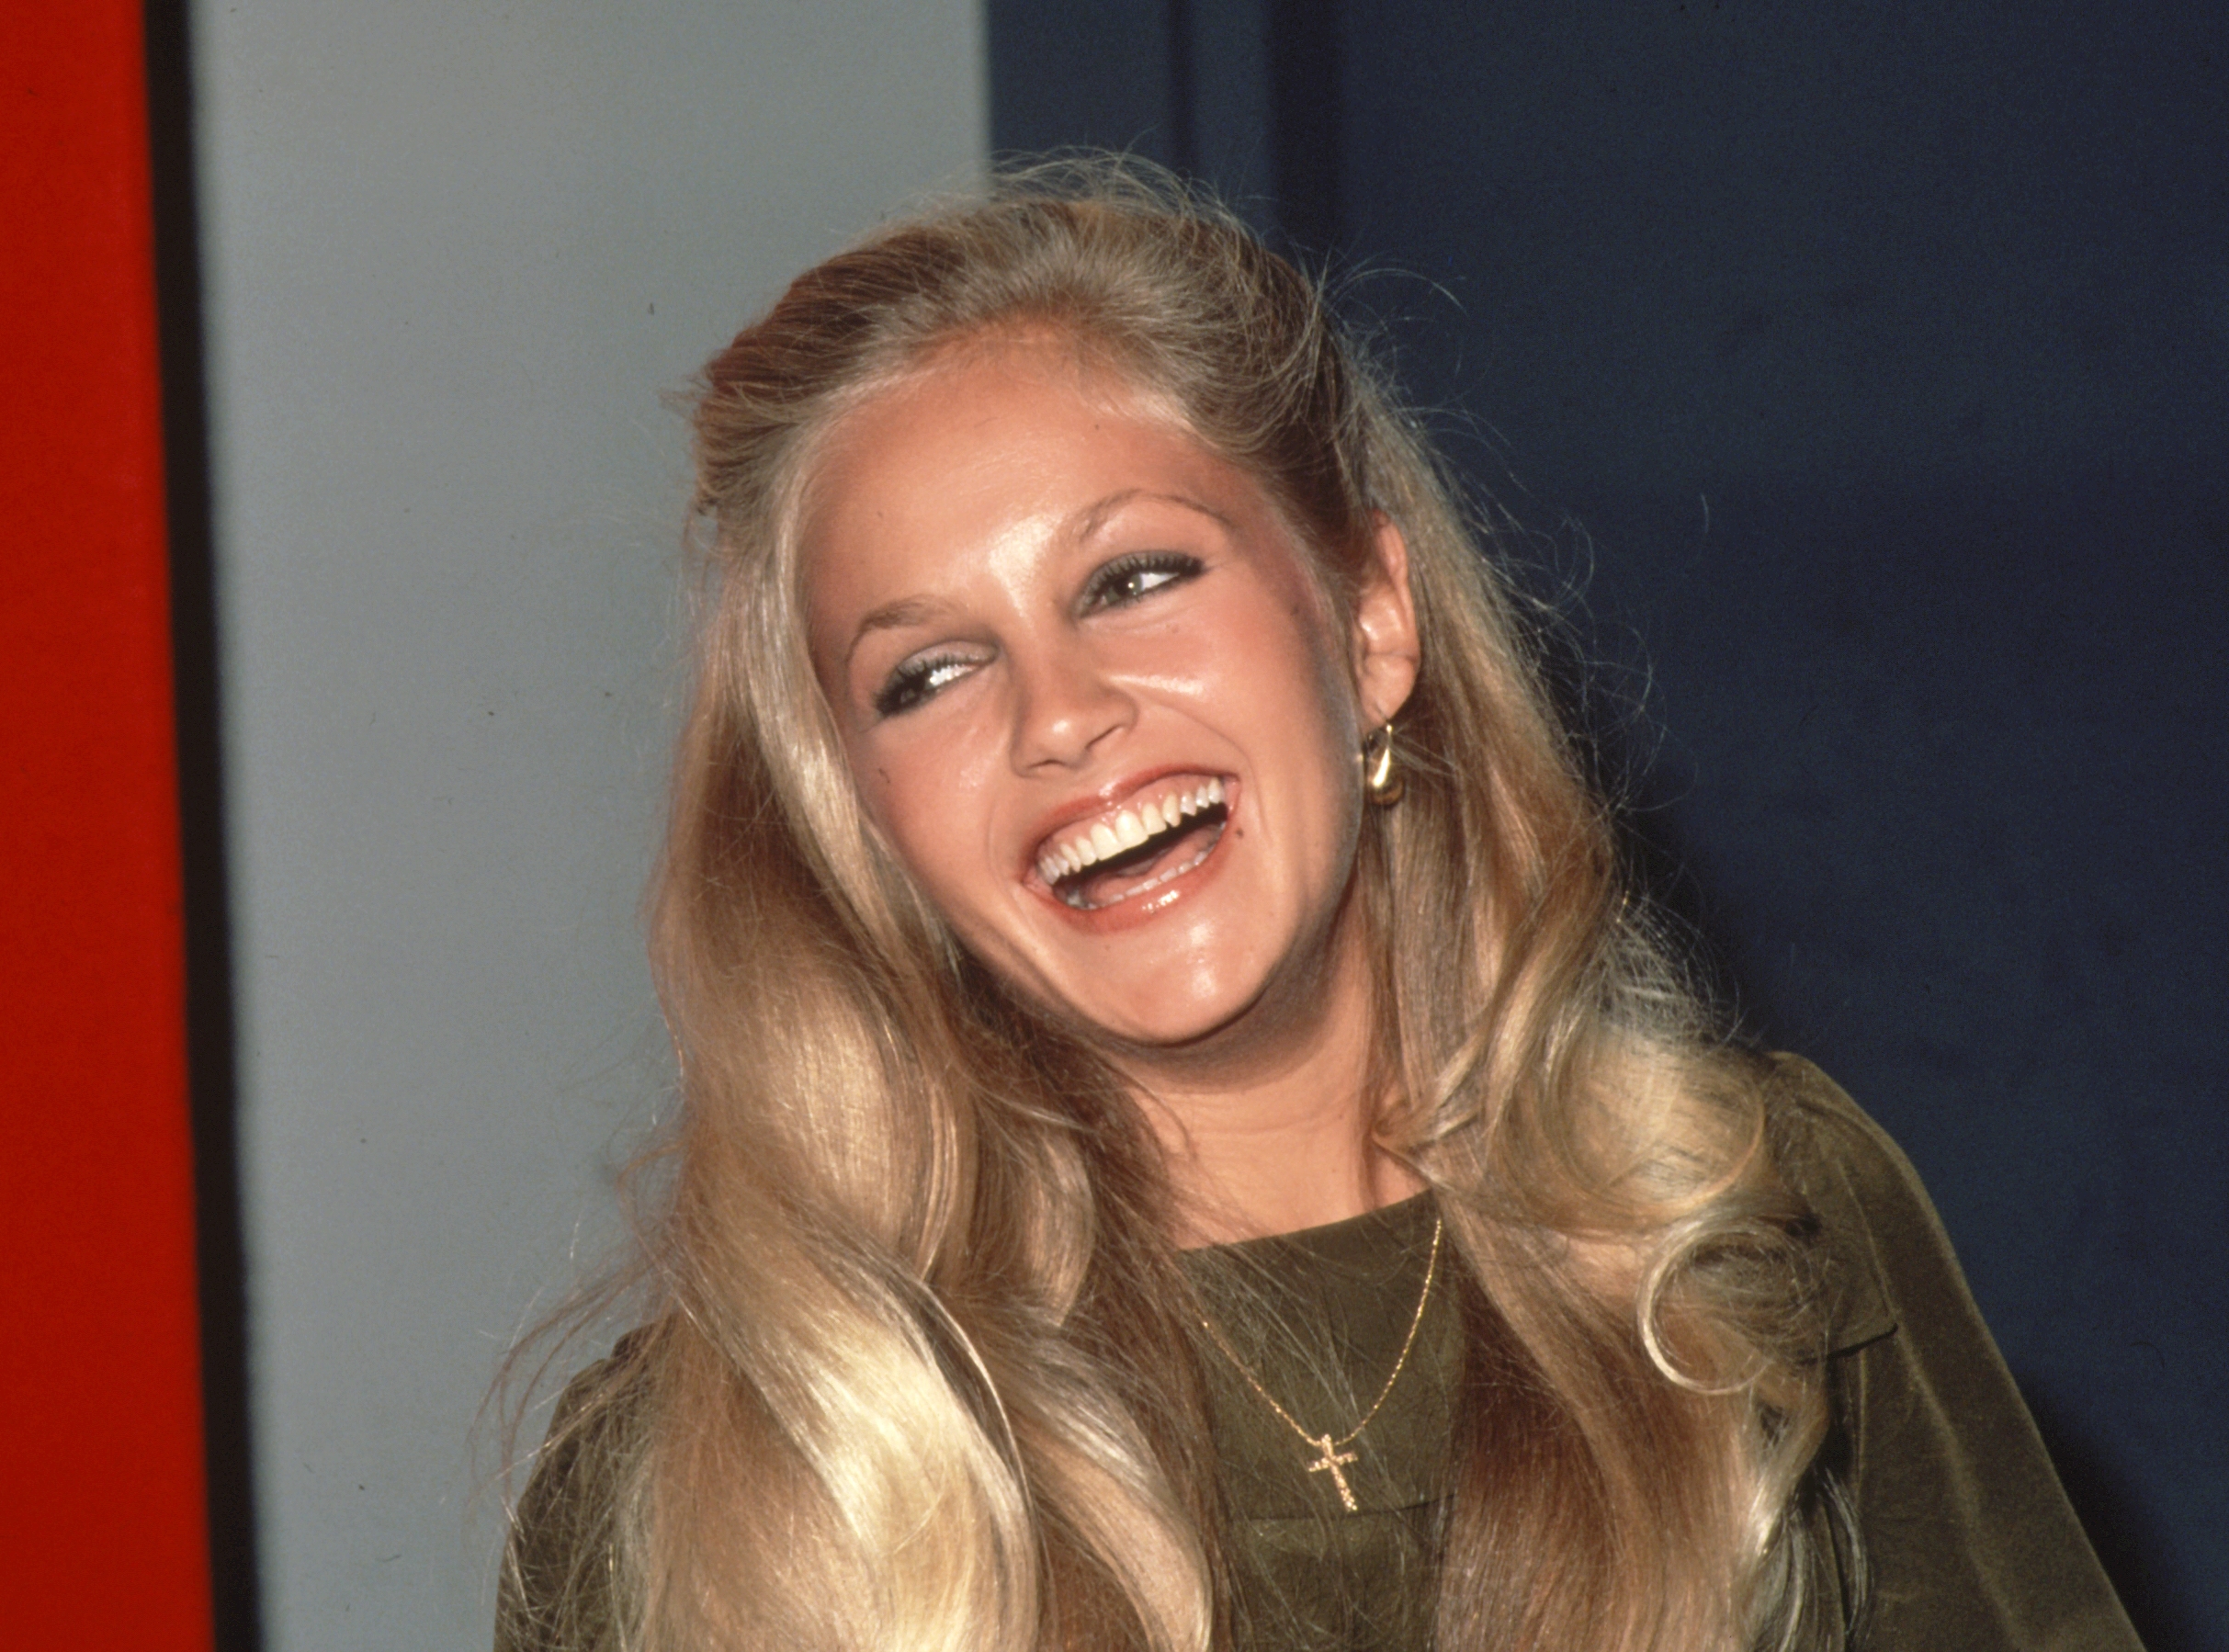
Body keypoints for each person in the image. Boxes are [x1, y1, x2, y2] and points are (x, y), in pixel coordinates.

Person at [495, 164, 2142, 1652]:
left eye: (1133, 578)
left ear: (1367, 625)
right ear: (858, 818)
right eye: (924, 672)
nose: (1054, 715)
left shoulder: (1761, 1222)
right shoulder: (716, 1461)